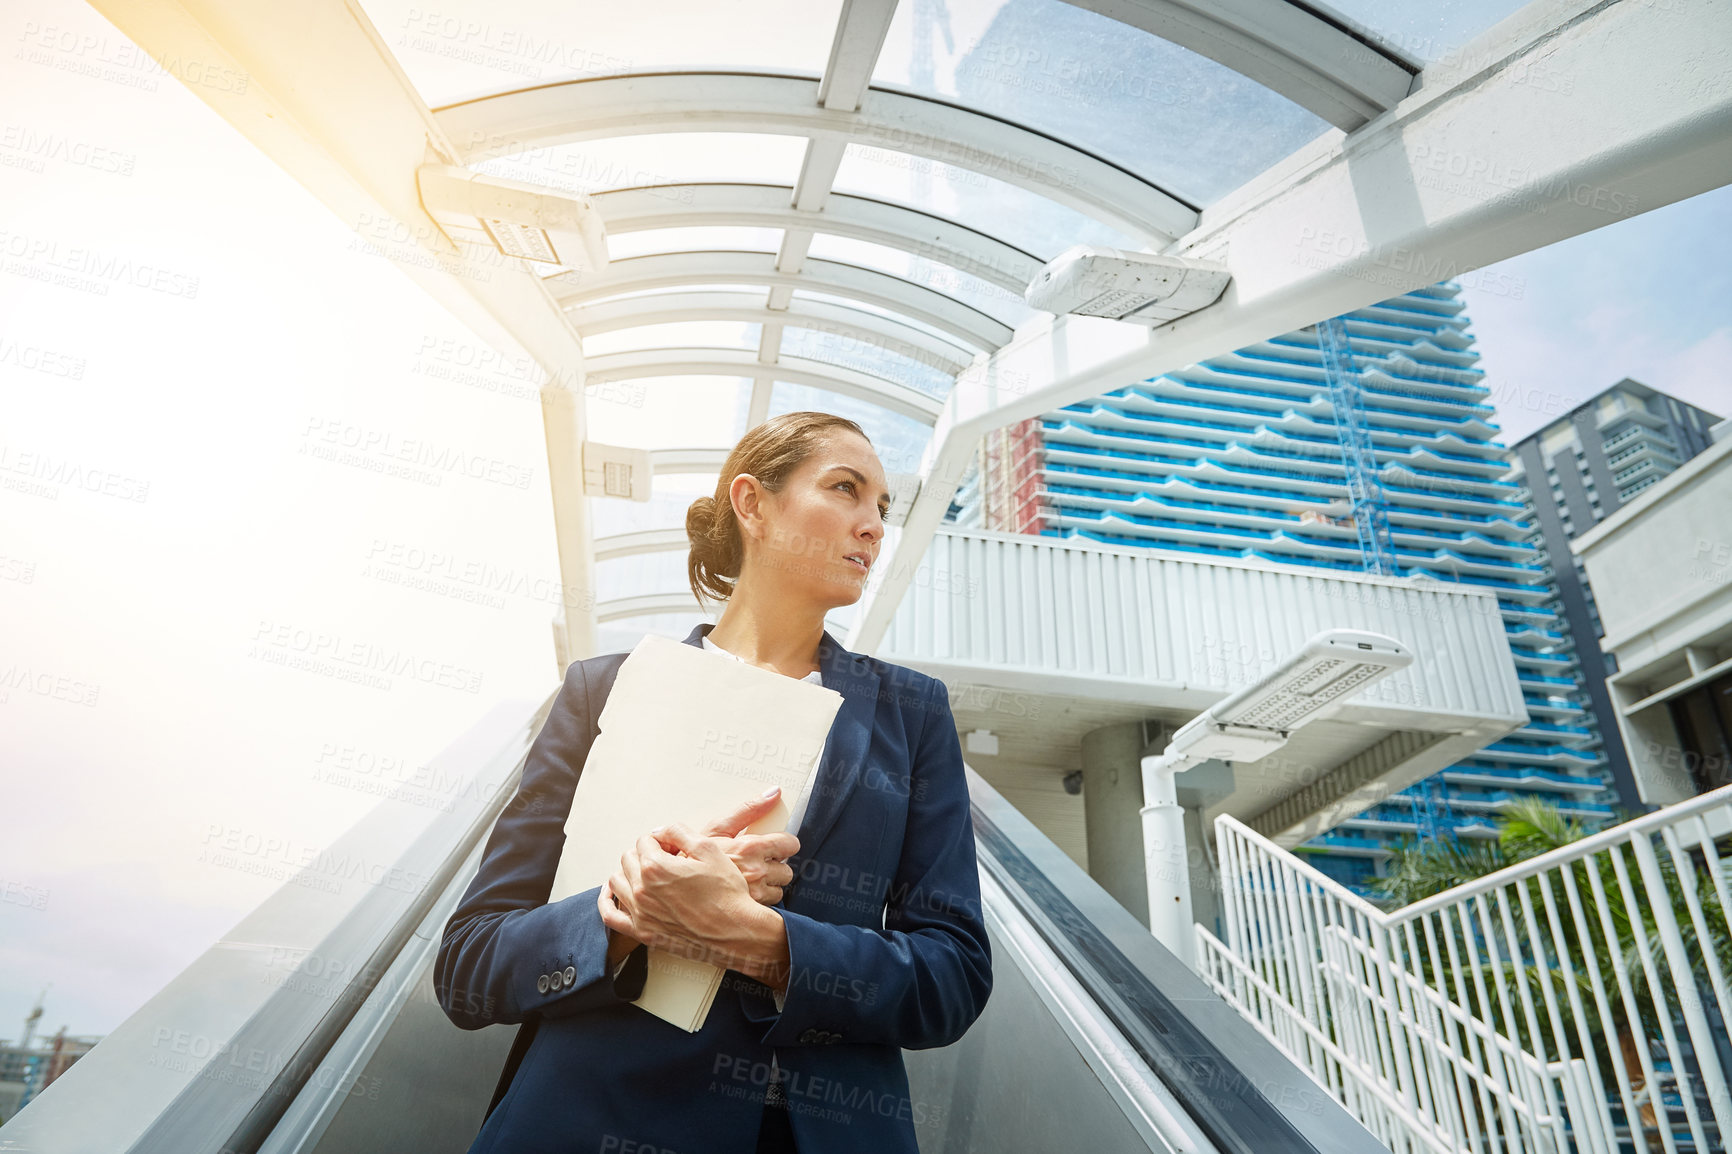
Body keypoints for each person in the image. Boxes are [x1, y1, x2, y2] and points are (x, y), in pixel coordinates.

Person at [435, 411, 994, 1154]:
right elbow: (469, 964)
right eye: (846, 489)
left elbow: (952, 975)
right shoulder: (603, 692)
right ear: (753, 504)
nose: (873, 526)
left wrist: (764, 943)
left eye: (882, 508)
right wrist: (626, 912)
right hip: (585, 1119)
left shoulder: (912, 716)